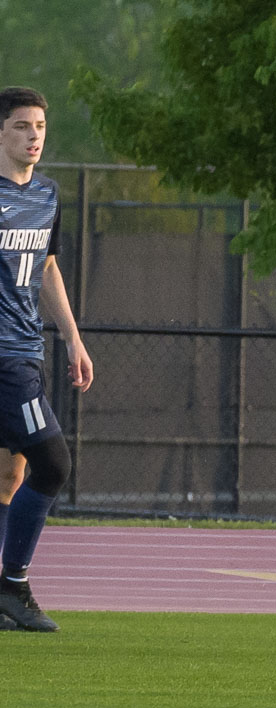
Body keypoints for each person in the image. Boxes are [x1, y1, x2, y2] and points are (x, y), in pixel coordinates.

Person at [0, 87, 94, 633]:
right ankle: (13, 585)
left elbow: (49, 268)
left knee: (10, 474)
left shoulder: (47, 195)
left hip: (27, 351)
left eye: (39, 126)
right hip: (4, 362)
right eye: (21, 126)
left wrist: (73, 339)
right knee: (54, 464)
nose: (34, 136)